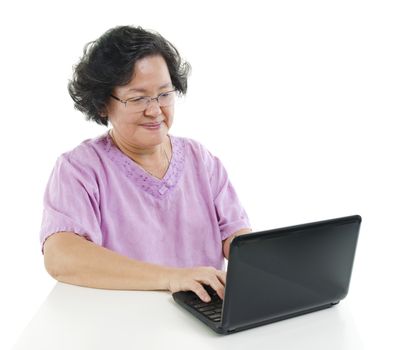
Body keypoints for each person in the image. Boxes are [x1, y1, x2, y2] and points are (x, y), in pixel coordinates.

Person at [41, 25, 251, 303]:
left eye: (164, 94)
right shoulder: (80, 168)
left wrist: (265, 261)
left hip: (201, 315)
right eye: (138, 98)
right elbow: (61, 256)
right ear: (103, 103)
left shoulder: (201, 160)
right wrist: (171, 278)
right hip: (121, 323)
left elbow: (235, 236)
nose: (155, 111)